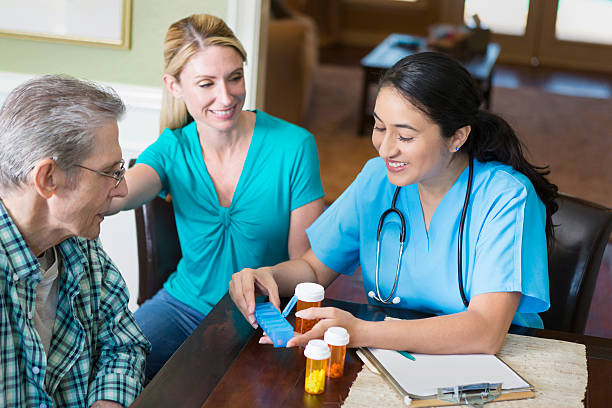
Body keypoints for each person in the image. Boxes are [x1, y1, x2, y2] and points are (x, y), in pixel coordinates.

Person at [229, 52, 559, 355]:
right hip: (393, 355)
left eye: (404, 136)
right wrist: (264, 275)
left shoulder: (507, 196)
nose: (385, 149)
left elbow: (485, 332)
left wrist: (360, 332)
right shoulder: (377, 179)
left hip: (489, 366)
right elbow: (314, 268)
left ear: (457, 137)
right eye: (379, 127)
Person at [107, 14, 325, 380]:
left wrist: (262, 277)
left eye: (235, 77)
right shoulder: (171, 149)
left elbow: (306, 266)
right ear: (174, 86)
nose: (226, 97)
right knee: (114, 370)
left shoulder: (294, 146)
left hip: (267, 312)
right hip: (182, 307)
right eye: (206, 84)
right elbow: (121, 194)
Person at [0, 75, 150, 407]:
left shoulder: (78, 241)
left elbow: (124, 344)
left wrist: (107, 402)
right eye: (110, 171)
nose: (122, 189)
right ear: (48, 178)